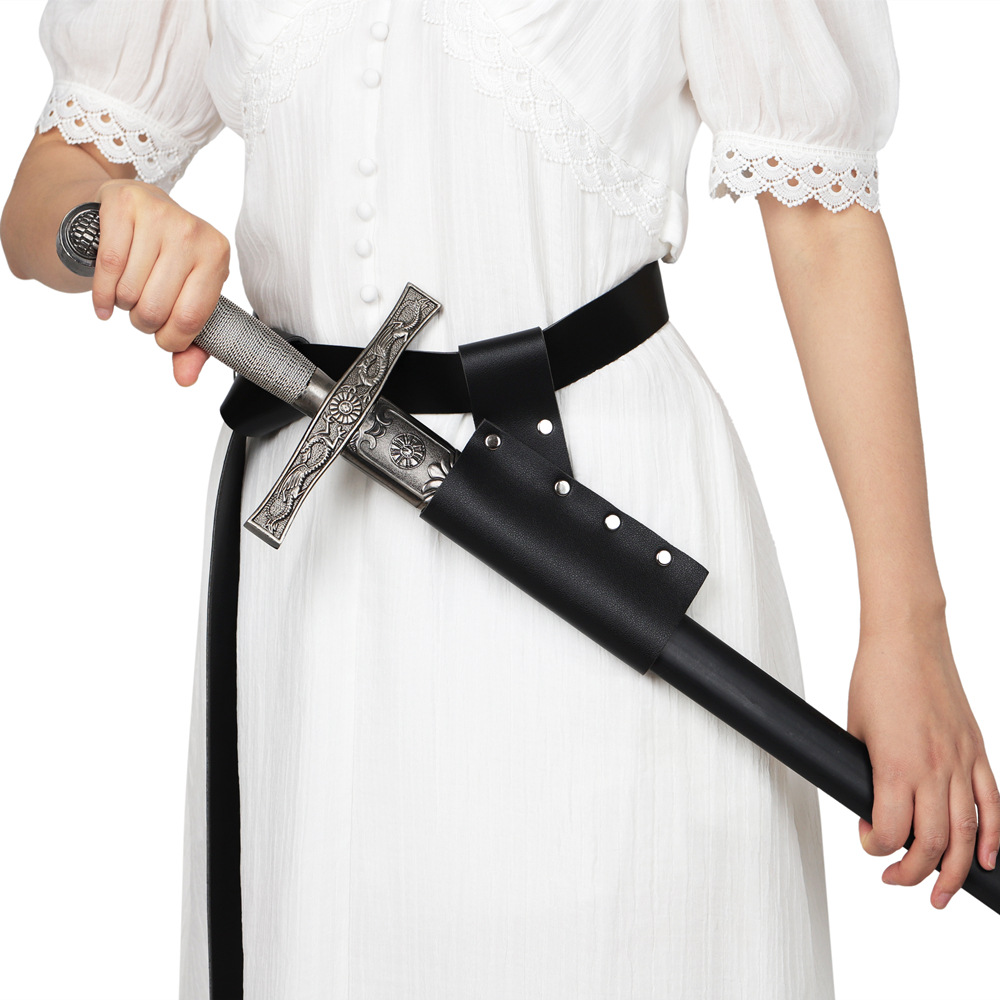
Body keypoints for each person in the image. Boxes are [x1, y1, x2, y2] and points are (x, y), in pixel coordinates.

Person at [2, 1, 997, 997]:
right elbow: (50, 186)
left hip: (602, 528)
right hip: (312, 564)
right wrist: (106, 221)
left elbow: (823, 226)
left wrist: (907, 628)